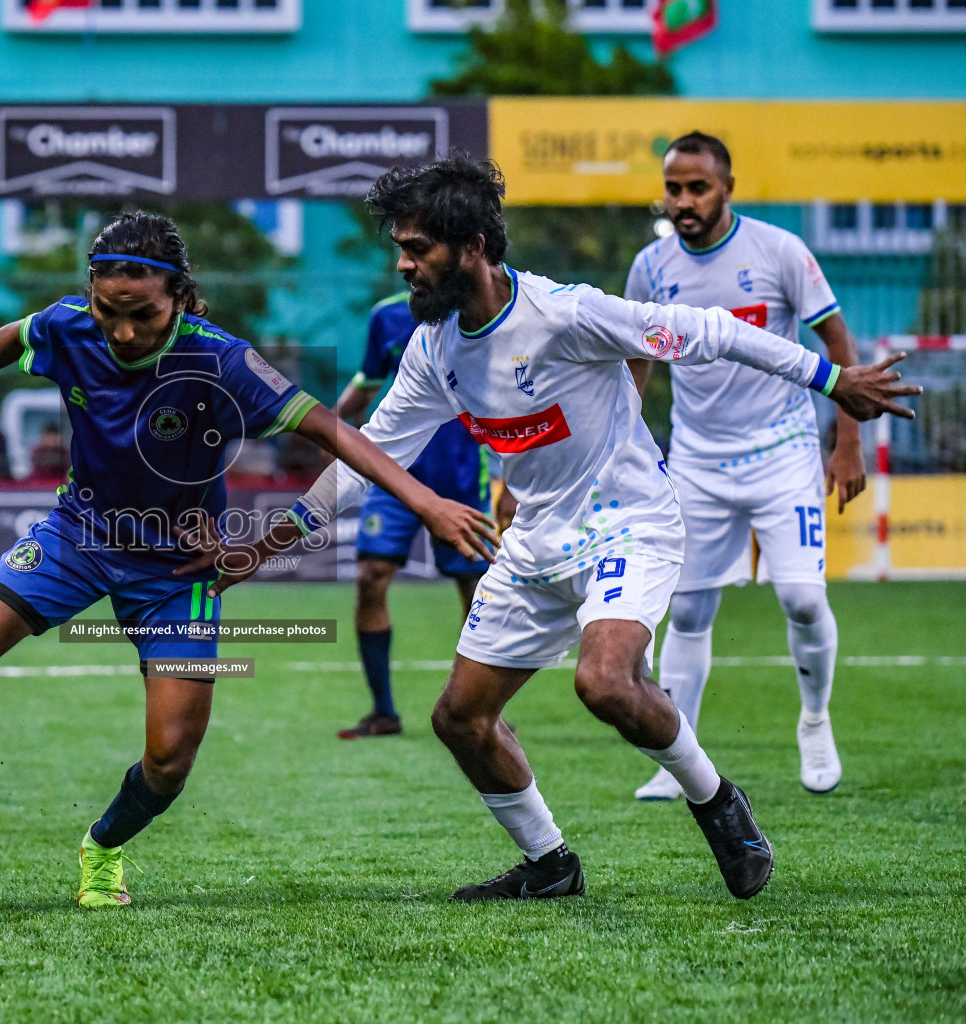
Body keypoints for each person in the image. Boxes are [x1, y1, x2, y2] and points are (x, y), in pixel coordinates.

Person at [197, 153, 916, 902]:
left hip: (628, 524)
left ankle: (717, 802)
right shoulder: (434, 349)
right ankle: (551, 865)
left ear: (471, 247)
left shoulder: (566, 314)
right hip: (536, 539)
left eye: (417, 248)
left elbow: (708, 331)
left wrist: (835, 381)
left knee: (604, 682)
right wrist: (262, 549)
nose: (404, 264)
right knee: (459, 719)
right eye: (399, 248)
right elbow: (364, 459)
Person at [0, 211, 496, 909]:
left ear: (178, 295)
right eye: (107, 310)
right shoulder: (69, 324)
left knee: (170, 759)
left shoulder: (219, 358)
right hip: (78, 534)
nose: (121, 331)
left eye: (141, 314)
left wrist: (426, 503)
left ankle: (104, 846)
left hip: (178, 568)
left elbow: (331, 429)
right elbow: (15, 338)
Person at [625, 133, 862, 799]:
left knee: (802, 599)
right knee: (690, 610)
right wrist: (621, 445)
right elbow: (634, 361)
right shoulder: (651, 266)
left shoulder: (779, 251)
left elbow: (838, 344)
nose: (683, 201)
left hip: (782, 453)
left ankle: (814, 721)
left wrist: (847, 444)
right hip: (698, 461)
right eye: (674, 188)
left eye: (697, 187)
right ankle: (679, 759)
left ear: (727, 187)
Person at [332, 291, 500, 739]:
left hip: (462, 476)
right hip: (392, 473)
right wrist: (325, 424)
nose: (411, 262)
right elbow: (367, 384)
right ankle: (383, 711)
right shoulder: (385, 317)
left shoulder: (482, 308)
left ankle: (480, 711)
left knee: (475, 592)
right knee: (370, 576)